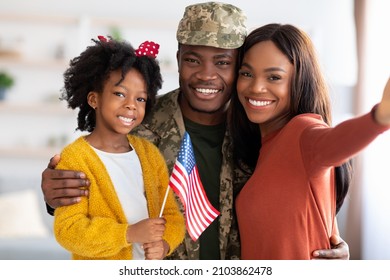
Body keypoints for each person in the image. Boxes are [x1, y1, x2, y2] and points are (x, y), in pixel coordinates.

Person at [41, 2, 349, 260]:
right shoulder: (136, 124)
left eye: (222, 62)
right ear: (177, 60)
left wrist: (331, 241)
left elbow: (304, 194)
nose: (206, 75)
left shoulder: (262, 131)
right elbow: (93, 178)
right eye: (192, 59)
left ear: (239, 67)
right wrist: (56, 195)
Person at [229, 23, 390, 260]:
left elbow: (335, 142)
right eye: (247, 74)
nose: (256, 87)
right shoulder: (260, 146)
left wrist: (379, 118)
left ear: (299, 82)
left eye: (274, 77)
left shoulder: (302, 132)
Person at [52, 35, 185, 260]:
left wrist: (164, 244)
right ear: (94, 99)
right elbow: (69, 231)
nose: (131, 105)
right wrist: (129, 233)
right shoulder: (76, 158)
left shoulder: (149, 154)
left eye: (141, 99)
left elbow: (171, 217)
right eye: (120, 94)